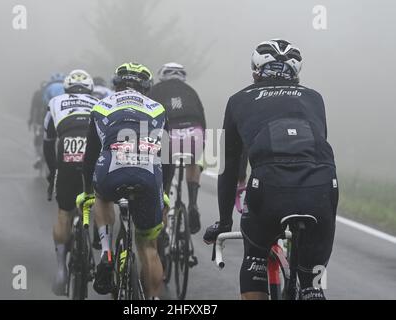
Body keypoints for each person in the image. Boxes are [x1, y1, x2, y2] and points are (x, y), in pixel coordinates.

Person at [203, 39, 338, 300]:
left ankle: (258, 267)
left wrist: (224, 222)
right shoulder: (314, 98)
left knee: (255, 257)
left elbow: (230, 166)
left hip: (269, 188)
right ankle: (311, 287)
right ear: (296, 74)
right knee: (312, 277)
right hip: (322, 186)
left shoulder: (238, 100)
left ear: (255, 71)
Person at [77, 62, 166, 299]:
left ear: (116, 85)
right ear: (147, 88)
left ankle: (106, 253)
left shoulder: (102, 105)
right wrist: (162, 190)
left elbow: (89, 159)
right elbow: (164, 156)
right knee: (149, 247)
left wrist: (87, 191)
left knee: (101, 196)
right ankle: (151, 301)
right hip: (148, 173)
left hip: (111, 169)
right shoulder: (158, 108)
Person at [43, 69, 98, 295]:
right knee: (99, 203)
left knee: (64, 212)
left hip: (66, 153)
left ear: (66, 89)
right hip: (92, 155)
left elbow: (48, 143)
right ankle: (100, 244)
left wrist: (52, 172)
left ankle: (59, 270)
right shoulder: (98, 102)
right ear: (90, 89)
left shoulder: (55, 102)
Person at [149, 62, 206, 234]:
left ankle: (163, 218)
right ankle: (193, 203)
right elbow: (202, 121)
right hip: (194, 131)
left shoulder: (155, 90)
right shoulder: (191, 91)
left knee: (165, 168)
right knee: (193, 161)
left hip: (169, 132)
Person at [28, 81, 47, 169]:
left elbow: (33, 108)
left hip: (39, 122)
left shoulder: (37, 94)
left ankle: (39, 158)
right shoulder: (54, 94)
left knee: (37, 140)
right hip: (51, 122)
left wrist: (31, 120)